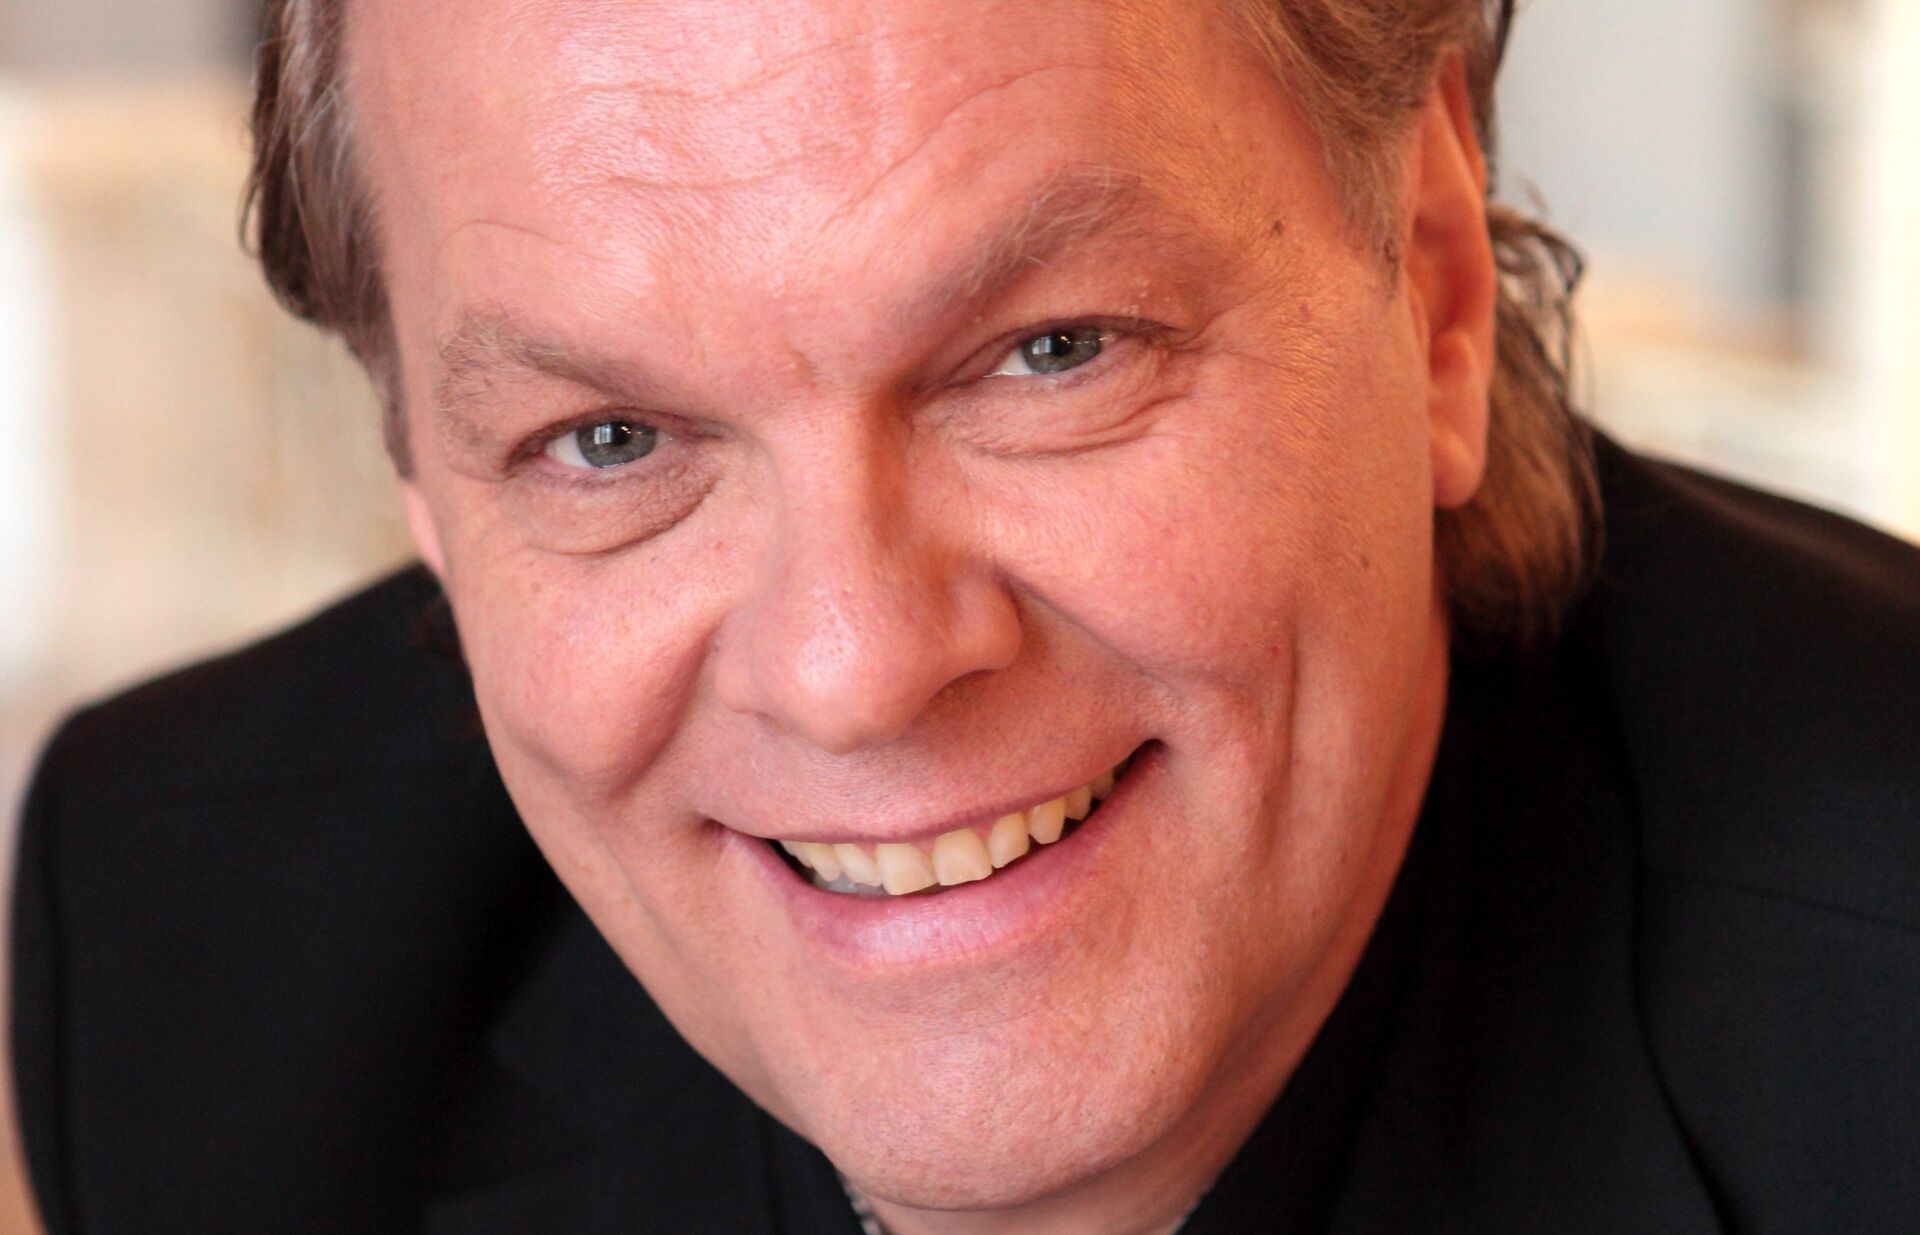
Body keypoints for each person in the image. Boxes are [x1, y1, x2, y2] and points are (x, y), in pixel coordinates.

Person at [11, 0, 1918, 1231]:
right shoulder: (205, 961)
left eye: (1051, 350)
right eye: (610, 441)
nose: (853, 670)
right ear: (424, 493)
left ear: (1427, 279)